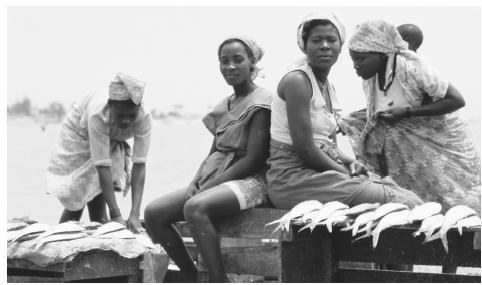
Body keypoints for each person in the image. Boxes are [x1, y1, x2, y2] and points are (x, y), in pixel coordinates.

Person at [144, 36, 272, 282]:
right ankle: (193, 278)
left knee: (195, 207)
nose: (230, 66)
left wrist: (209, 188)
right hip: (219, 177)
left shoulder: (262, 102)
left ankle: (217, 279)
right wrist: (196, 181)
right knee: (154, 214)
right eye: (224, 61)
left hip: (253, 182)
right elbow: (214, 152)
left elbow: (254, 159)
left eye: (238, 60)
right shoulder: (225, 105)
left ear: (252, 62)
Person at [266, 12, 423, 211]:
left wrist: (350, 162)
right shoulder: (297, 81)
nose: (324, 45)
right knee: (401, 202)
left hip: (318, 172)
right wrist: (344, 172)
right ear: (304, 46)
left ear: (340, 46)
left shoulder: (327, 87)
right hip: (293, 179)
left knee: (406, 194)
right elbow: (305, 149)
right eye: (316, 40)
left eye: (331, 40)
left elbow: (328, 143)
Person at [339, 20, 480, 213]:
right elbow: (379, 111)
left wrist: (407, 113)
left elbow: (456, 100)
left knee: (450, 201)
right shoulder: (370, 77)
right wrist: (343, 122)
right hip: (406, 148)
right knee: (410, 204)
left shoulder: (411, 67)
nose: (355, 66)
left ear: (381, 54)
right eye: (353, 59)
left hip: (440, 144)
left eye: (360, 59)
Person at [46, 73, 151, 233]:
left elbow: (140, 164)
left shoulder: (144, 118)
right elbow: (102, 167)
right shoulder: (98, 115)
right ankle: (59, 241)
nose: (126, 121)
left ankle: (103, 228)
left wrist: (135, 214)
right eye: (121, 115)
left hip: (111, 136)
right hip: (79, 132)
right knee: (78, 195)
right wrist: (116, 214)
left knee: (97, 204)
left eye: (131, 116)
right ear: (110, 105)